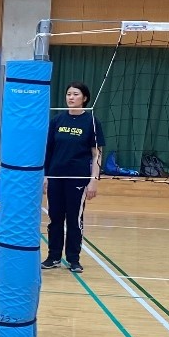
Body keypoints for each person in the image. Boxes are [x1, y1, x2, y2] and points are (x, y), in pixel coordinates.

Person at [42, 81, 103, 274]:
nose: (71, 97)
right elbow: (48, 151)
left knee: (74, 220)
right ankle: (53, 257)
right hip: (55, 176)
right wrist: (45, 176)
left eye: (75, 94)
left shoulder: (91, 122)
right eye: (69, 94)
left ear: (84, 98)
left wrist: (94, 180)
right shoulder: (57, 121)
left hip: (78, 178)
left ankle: (73, 259)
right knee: (55, 218)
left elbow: (97, 154)